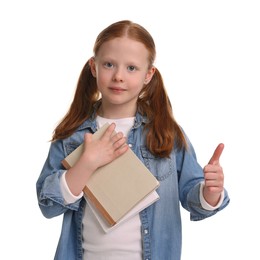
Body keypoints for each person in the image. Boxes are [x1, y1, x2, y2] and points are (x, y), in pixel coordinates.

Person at [36, 20, 230, 260]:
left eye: (131, 68)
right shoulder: (72, 135)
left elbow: (194, 198)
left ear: (148, 75)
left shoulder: (166, 133)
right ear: (93, 67)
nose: (118, 76)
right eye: (109, 64)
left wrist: (210, 192)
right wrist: (87, 163)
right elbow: (48, 205)